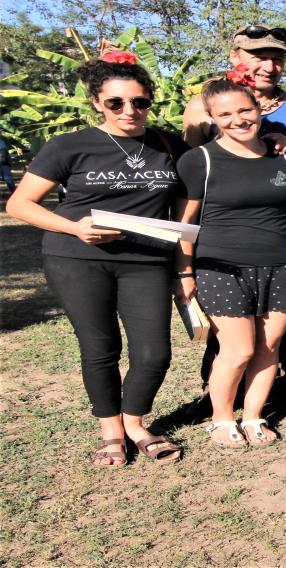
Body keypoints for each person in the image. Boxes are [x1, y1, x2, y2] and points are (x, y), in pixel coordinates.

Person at [7, 53, 188, 466]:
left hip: (146, 260)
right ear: (96, 102)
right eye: (116, 103)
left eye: (140, 102)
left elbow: (206, 174)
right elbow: (20, 204)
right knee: (100, 347)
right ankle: (112, 430)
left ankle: (135, 421)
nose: (130, 111)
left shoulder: (167, 145)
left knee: (154, 353)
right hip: (78, 258)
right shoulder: (70, 146)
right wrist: (74, 228)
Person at [182, 25, 286, 416]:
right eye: (258, 56)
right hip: (226, 237)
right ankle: (217, 400)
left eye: (276, 57)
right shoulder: (203, 104)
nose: (268, 64)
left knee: (282, 332)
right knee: (231, 337)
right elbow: (197, 169)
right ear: (236, 58)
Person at [174, 77, 286, 449]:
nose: (238, 119)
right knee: (238, 350)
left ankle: (253, 415)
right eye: (226, 114)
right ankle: (221, 418)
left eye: (245, 110)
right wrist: (184, 273)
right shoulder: (198, 159)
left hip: (284, 264)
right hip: (220, 266)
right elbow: (184, 225)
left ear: (260, 109)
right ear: (213, 118)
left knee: (270, 348)